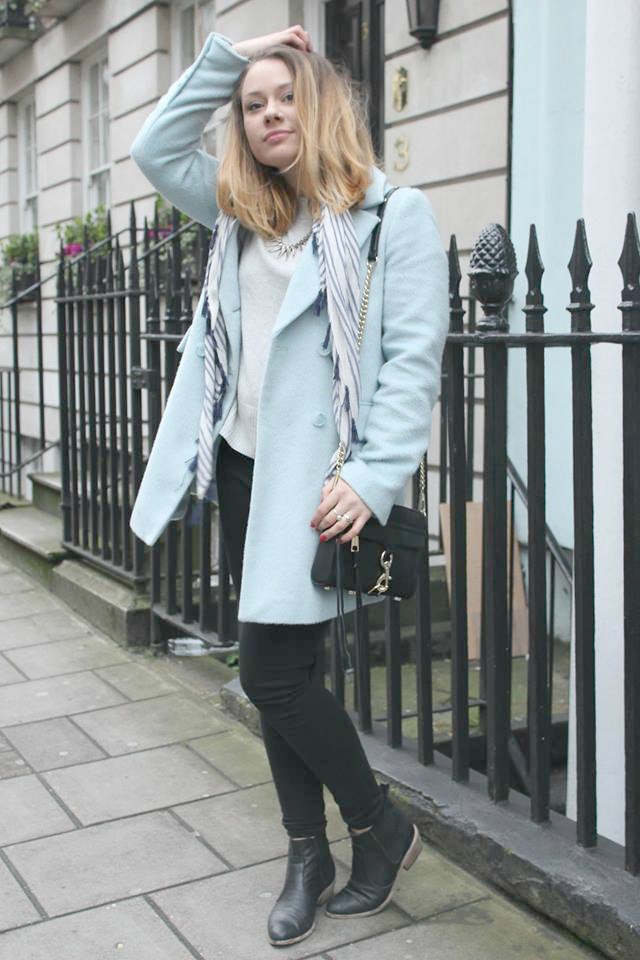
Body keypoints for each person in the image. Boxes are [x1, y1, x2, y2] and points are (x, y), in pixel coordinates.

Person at [129, 24, 449, 949]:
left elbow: (412, 363)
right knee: (284, 674)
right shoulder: (242, 207)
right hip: (241, 467)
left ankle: (377, 830)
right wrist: (237, 54)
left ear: (321, 106)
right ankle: (311, 853)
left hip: (318, 486)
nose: (270, 114)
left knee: (269, 673)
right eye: (253, 104)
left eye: (285, 97)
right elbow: (156, 147)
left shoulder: (392, 216)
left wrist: (374, 478)